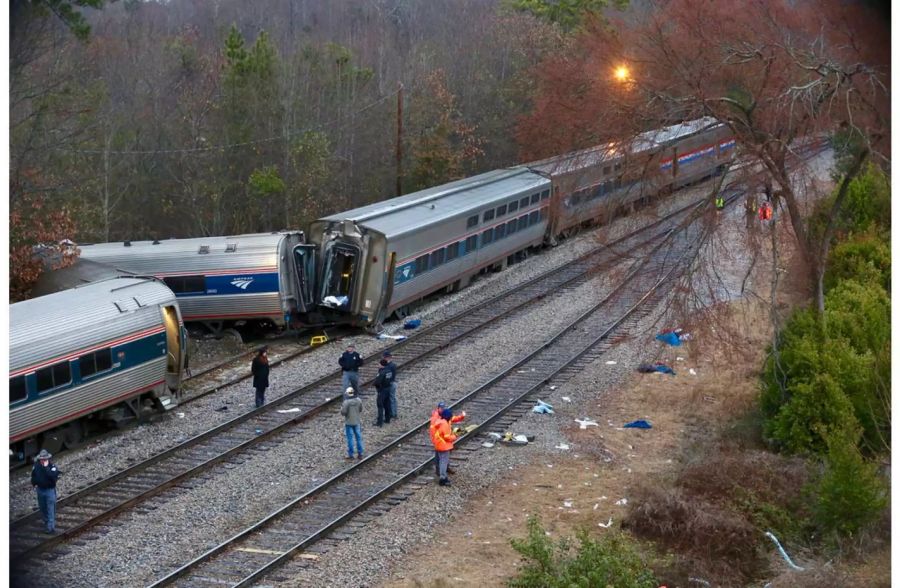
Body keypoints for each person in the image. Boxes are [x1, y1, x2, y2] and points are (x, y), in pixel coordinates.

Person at [430, 402, 465, 477]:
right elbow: (433, 430)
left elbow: (452, 418)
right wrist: (454, 436)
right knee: (439, 458)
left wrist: (461, 416)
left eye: (443, 408)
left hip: (444, 441)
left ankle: (445, 469)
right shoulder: (436, 418)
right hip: (440, 440)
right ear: (438, 408)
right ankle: (440, 472)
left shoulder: (445, 416)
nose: (442, 409)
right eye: (441, 408)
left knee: (443, 457)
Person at [31, 449, 61, 534]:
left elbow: (53, 476)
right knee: (43, 509)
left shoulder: (52, 467)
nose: (43, 460)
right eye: (42, 459)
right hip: (40, 490)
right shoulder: (36, 466)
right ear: (39, 459)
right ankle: (47, 524)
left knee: (50, 509)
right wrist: (34, 484)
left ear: (48, 459)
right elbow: (33, 476)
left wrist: (46, 468)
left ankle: (50, 528)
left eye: (45, 459)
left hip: (49, 491)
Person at [432, 409, 458, 486]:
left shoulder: (439, 422)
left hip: (438, 444)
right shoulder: (445, 424)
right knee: (444, 462)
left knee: (439, 460)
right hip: (444, 445)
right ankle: (443, 478)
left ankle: (439, 473)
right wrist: (455, 436)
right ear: (448, 417)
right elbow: (447, 437)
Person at [340, 386, 364, 460]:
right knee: (359, 438)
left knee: (350, 439)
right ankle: (360, 453)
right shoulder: (358, 400)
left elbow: (343, 413)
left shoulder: (346, 402)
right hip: (357, 422)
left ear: (347, 394)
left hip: (349, 422)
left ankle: (351, 455)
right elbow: (360, 409)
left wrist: (341, 409)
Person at [373, 358, 393, 426]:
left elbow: (377, 382)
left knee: (380, 405)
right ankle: (387, 419)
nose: (378, 365)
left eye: (379, 364)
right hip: (388, 389)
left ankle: (379, 422)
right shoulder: (389, 371)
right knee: (387, 404)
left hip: (382, 390)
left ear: (382, 365)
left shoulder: (382, 372)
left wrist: (377, 388)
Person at [382, 350, 398, 419]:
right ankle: (391, 413)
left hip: (390, 383)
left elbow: (390, 375)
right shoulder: (390, 365)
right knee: (391, 398)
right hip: (389, 383)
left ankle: (393, 413)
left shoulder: (391, 365)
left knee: (391, 398)